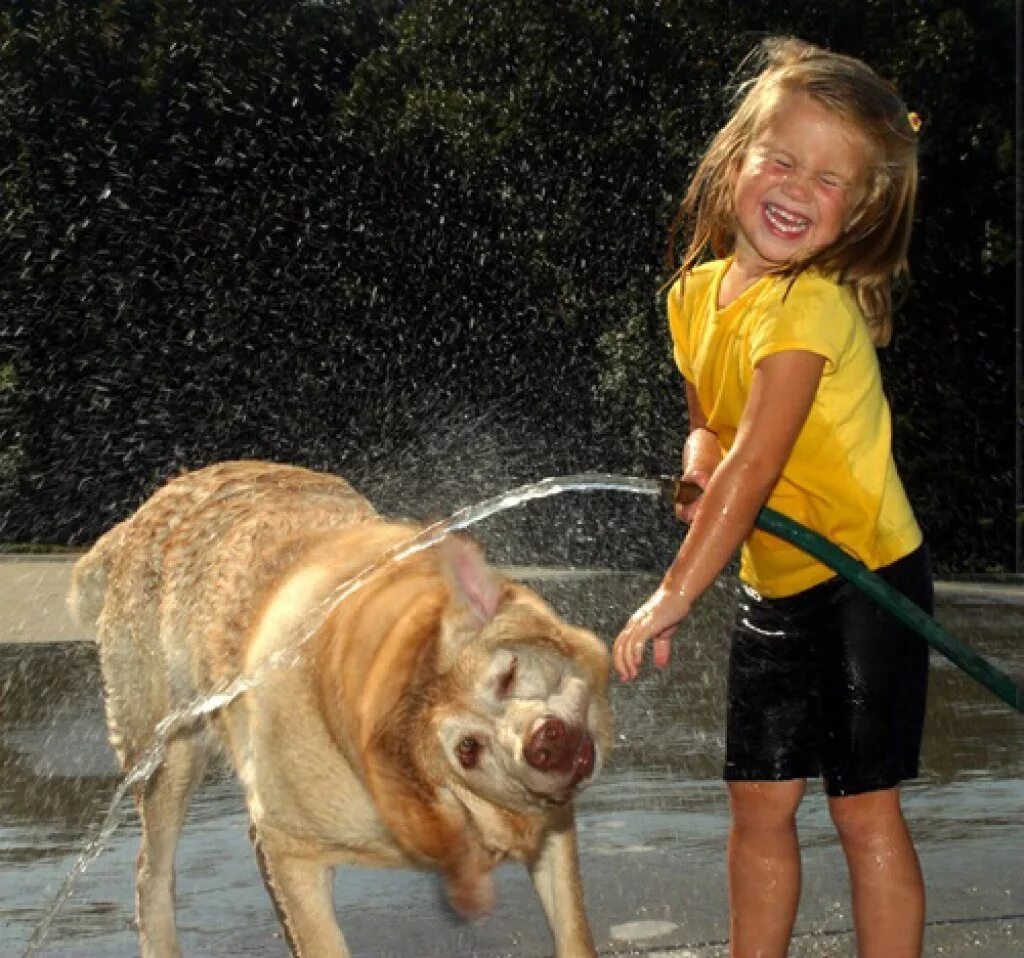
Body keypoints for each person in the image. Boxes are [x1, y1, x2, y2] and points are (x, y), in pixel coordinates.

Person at [612, 37, 931, 958]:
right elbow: (716, 431)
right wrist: (695, 464)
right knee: (758, 803)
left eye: (830, 179)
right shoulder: (693, 296)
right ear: (738, 158)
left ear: (862, 208)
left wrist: (674, 592)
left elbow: (757, 465)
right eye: (782, 160)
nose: (797, 188)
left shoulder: (811, 308)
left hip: (868, 579)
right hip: (776, 585)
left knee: (862, 809)